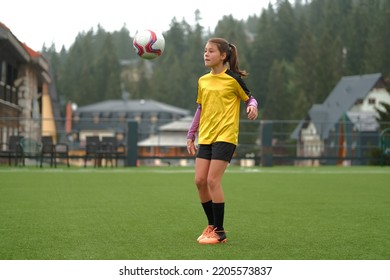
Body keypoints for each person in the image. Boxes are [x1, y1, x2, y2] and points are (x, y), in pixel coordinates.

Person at [186, 38, 258, 244]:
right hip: (206, 136)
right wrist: (191, 135)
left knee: (212, 180)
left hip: (226, 136)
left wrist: (252, 106)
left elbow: (250, 98)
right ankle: (212, 226)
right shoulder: (202, 81)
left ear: (223, 55)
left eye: (211, 51)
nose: (206, 54)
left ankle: (220, 232)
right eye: (204, 51)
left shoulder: (233, 79)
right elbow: (200, 108)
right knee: (200, 181)